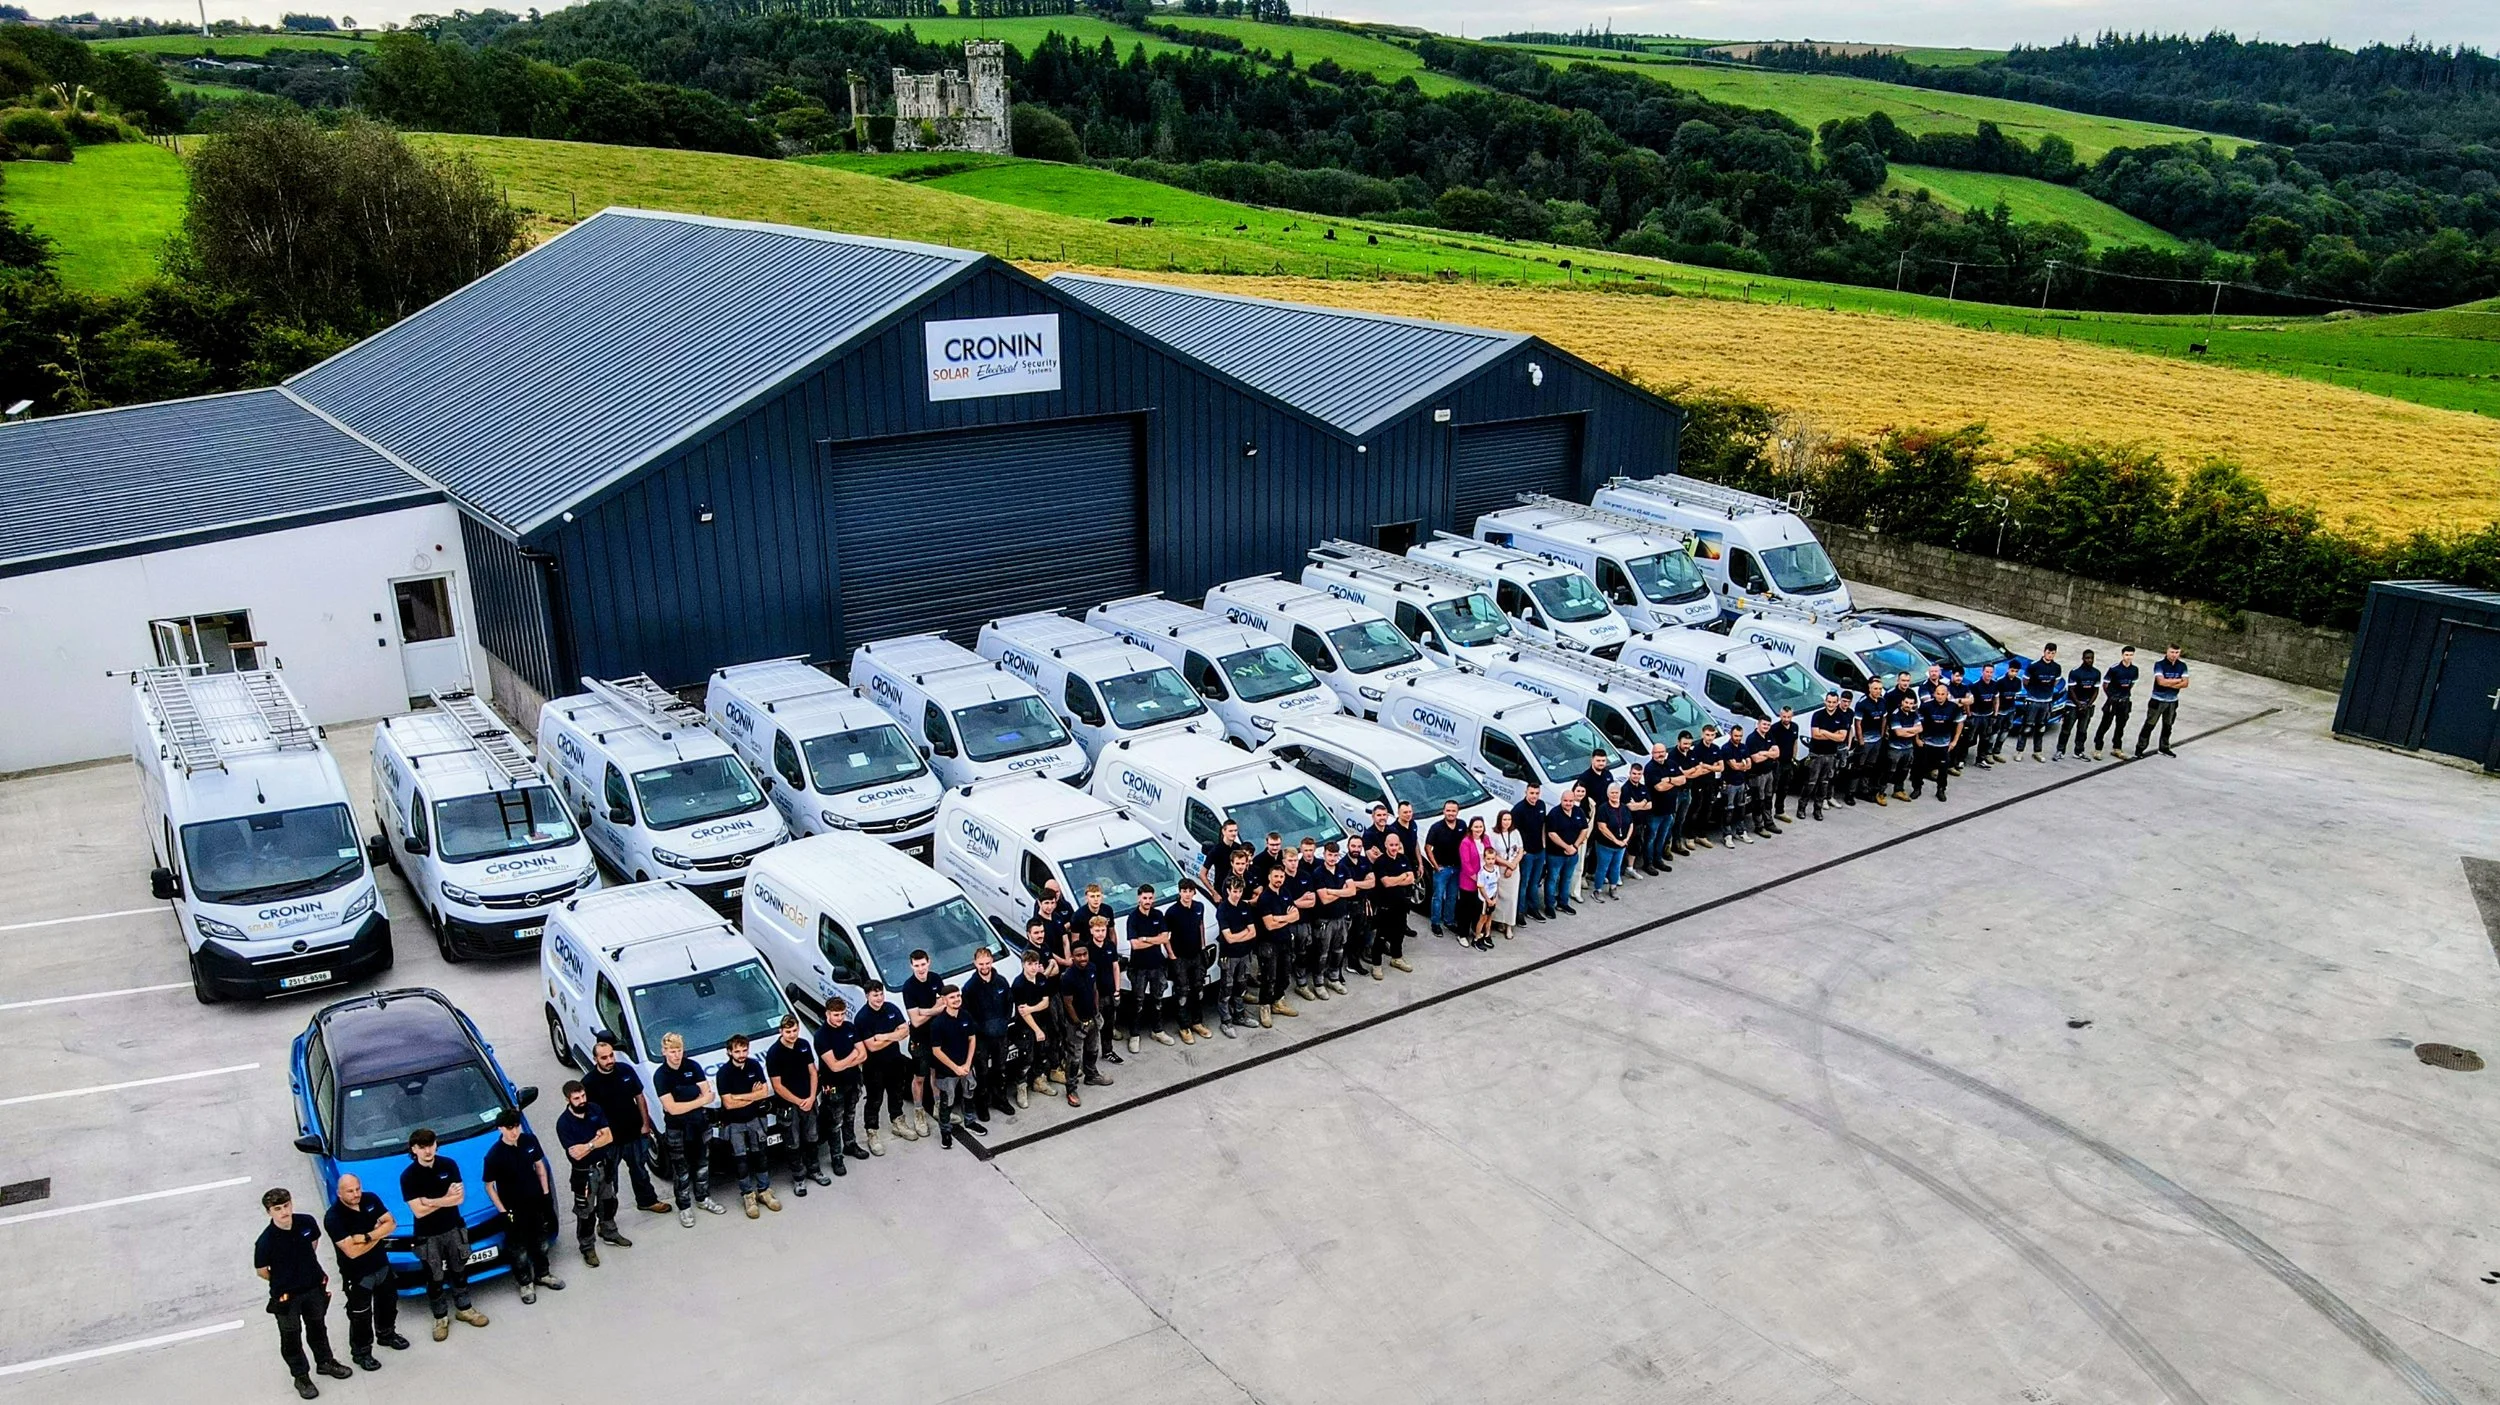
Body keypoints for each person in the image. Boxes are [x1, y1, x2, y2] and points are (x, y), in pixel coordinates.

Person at [257, 1188, 353, 1398]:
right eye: (277, 1208)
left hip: (313, 1289)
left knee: (318, 1328)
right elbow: (262, 1271)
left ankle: (325, 1362)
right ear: (269, 1212)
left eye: (286, 1205)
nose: (284, 1211)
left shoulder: (306, 1223)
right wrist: (285, 1279)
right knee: (291, 1338)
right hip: (287, 1298)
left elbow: (313, 1244)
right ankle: (301, 1376)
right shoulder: (265, 1241)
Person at [400, 1129, 488, 1340]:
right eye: (422, 1147)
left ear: (436, 1144)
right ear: (414, 1150)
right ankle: (440, 1317)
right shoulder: (408, 1177)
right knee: (434, 1276)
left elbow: (458, 1200)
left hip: (453, 1228)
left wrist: (430, 1201)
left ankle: (464, 1308)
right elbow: (418, 1212)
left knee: (459, 1270)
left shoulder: (448, 1165)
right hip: (428, 1235)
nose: (428, 1150)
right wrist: (443, 1199)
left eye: (430, 1145)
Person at [580, 1036, 669, 1216]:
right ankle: (606, 1218)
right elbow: (587, 1115)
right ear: (595, 1059)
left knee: (640, 1170)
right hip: (609, 1140)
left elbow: (639, 1097)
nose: (610, 1060)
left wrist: (645, 1124)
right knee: (608, 1180)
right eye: (604, 1058)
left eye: (611, 1055)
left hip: (634, 1132)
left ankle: (647, 1201)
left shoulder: (625, 1071)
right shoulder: (589, 1083)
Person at [323, 1175, 404, 1371]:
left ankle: (386, 1334)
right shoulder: (334, 1218)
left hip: (381, 1265)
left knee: (388, 1303)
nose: (356, 1194)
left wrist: (366, 1237)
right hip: (357, 1274)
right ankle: (362, 1352)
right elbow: (351, 1252)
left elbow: (391, 1223)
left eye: (358, 1189)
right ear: (339, 1193)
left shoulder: (371, 1199)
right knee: (360, 1315)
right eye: (350, 1191)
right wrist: (379, 1234)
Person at [482, 1108, 564, 1298]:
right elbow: (489, 1186)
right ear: (500, 1129)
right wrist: (503, 1211)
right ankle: (525, 1283)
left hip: (535, 1201)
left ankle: (543, 1274)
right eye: (509, 1127)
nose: (514, 1131)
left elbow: (539, 1165)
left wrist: (545, 1193)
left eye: (517, 1126)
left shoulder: (530, 1141)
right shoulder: (494, 1155)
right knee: (518, 1248)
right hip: (513, 1208)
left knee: (541, 1241)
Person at [554, 1080, 633, 1261]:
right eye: (576, 1098)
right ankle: (587, 1246)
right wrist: (597, 1140)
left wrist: (588, 1145)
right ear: (568, 1099)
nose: (582, 1100)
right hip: (584, 1174)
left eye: (583, 1096)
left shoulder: (595, 1109)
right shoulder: (563, 1123)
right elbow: (576, 1154)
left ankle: (609, 1232)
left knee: (608, 1202)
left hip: (604, 1166)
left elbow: (609, 1137)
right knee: (585, 1212)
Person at [651, 1032, 725, 1222]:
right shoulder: (661, 1075)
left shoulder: (693, 1066)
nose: (676, 1055)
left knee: (702, 1165)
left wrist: (693, 1102)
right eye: (672, 1051)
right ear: (664, 1052)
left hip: (699, 1124)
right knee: (681, 1170)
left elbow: (709, 1095)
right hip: (677, 1129)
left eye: (679, 1051)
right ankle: (684, 1207)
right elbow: (672, 1108)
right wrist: (698, 1101)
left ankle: (703, 1198)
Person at [714, 1035, 778, 1216]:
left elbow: (764, 1093)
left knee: (761, 1156)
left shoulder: (754, 1066)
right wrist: (752, 1095)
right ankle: (748, 1195)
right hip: (734, 1124)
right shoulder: (723, 1073)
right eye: (737, 1051)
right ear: (729, 1052)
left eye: (744, 1050)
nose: (741, 1054)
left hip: (755, 1120)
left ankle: (764, 1190)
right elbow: (728, 1104)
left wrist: (740, 1096)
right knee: (741, 1161)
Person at [765, 1014, 831, 1191]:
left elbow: (812, 1072)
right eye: (788, 1031)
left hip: (808, 1102)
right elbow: (777, 1086)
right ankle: (798, 1178)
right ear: (781, 1031)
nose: (792, 1034)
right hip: (789, 1105)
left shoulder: (803, 1045)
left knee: (812, 1138)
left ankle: (815, 1170)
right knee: (792, 1143)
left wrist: (810, 1098)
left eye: (795, 1030)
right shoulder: (774, 1053)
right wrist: (799, 1101)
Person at [854, 980, 915, 1152]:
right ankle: (872, 1132)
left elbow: (905, 1031)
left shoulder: (891, 1008)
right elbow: (871, 1046)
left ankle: (898, 1122)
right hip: (874, 1067)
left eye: (881, 994)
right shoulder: (862, 1018)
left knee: (896, 1093)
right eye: (875, 995)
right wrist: (894, 1036)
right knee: (875, 1099)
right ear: (867, 996)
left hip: (895, 1060)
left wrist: (883, 1037)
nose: (879, 998)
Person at [960, 946, 1017, 1115]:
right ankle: (982, 1105)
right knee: (982, 1072)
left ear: (992, 961)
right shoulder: (970, 988)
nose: (984, 967)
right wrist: (980, 1030)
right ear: (975, 963)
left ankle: (1000, 1100)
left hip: (1001, 1035)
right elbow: (967, 1013)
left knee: (1000, 1069)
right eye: (981, 964)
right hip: (981, 1038)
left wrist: (1004, 1023)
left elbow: (1009, 1003)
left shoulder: (1002, 982)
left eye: (987, 963)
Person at [815, 996, 869, 1174]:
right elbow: (834, 1066)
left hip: (852, 1081)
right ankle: (836, 1157)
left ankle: (850, 1144)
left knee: (850, 1115)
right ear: (827, 1014)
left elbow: (863, 1055)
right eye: (836, 1015)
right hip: (833, 1085)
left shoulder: (850, 1027)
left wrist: (849, 1060)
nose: (840, 1018)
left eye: (842, 1014)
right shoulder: (822, 1036)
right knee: (834, 1121)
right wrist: (853, 1056)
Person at [925, 983, 983, 1146]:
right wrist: (955, 1068)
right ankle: (945, 1132)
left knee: (969, 1094)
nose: (956, 999)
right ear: (943, 1000)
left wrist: (967, 1064)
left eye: (958, 996)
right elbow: (936, 1051)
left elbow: (972, 1039)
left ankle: (970, 1122)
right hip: (947, 1072)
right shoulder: (938, 1024)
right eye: (952, 997)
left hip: (966, 1067)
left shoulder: (966, 1016)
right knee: (947, 1102)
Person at [899, 949, 945, 1138]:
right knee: (920, 1077)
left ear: (929, 963)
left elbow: (943, 1005)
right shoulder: (909, 987)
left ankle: (937, 1107)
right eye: (916, 965)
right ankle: (919, 1113)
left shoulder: (936, 979)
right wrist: (933, 1009)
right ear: (911, 966)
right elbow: (915, 1022)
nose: (920, 969)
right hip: (919, 1040)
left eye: (923, 964)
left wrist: (924, 1011)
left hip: (936, 1036)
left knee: (936, 1073)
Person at [1059, 940, 1111, 1103]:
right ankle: (1071, 1089)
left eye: (1084, 954)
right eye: (1078, 955)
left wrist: (1096, 1013)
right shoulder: (1068, 977)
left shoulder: (1092, 968)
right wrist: (1078, 1023)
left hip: (1092, 1019)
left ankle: (1091, 1075)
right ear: (1072, 957)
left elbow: (1095, 990)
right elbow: (1067, 1003)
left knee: (1093, 1049)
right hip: (1076, 1024)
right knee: (1074, 1057)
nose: (1082, 958)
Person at [1122, 885, 1174, 1050]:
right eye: (1144, 898)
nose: (1147, 901)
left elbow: (1165, 938)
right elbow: (1135, 945)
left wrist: (1145, 938)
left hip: (1157, 965)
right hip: (1138, 968)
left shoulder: (1158, 915)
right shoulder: (1133, 918)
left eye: (1150, 898)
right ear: (1138, 898)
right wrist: (1155, 939)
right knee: (1138, 1002)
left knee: (1158, 1000)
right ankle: (1134, 1035)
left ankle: (1157, 1030)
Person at [1165, 879, 1214, 1042]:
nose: (1187, 894)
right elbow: (1166, 936)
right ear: (1179, 892)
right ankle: (1184, 1027)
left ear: (1194, 892)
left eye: (1189, 891)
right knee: (1182, 993)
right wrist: (1172, 955)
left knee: (1198, 990)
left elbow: (1200, 925)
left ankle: (1197, 1022)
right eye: (1183, 891)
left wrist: (1203, 946)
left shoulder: (1199, 907)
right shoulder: (1172, 912)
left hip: (1196, 956)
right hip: (1180, 958)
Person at [1009, 943, 1061, 1090]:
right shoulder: (1019, 985)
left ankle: (1039, 1081)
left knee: (1042, 1053)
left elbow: (1045, 1002)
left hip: (1043, 1021)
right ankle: (1021, 1086)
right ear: (1023, 964)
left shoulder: (1041, 978)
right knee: (1027, 1058)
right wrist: (1037, 1030)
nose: (1033, 967)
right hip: (1026, 1027)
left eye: (1036, 964)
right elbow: (1023, 1013)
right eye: (1030, 964)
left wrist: (1032, 1008)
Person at [1216, 878, 1262, 1029]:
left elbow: (1253, 932)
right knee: (1227, 988)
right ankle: (1226, 1020)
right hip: (1229, 956)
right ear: (1228, 890)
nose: (1237, 894)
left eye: (1240, 891)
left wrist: (1239, 936)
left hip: (1244, 954)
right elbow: (1228, 938)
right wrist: (1244, 933)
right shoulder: (1223, 909)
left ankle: (1240, 1015)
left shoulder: (1244, 906)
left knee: (1241, 986)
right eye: (1235, 891)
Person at [1255, 865, 1302, 1013]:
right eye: (1276, 876)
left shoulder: (1286, 893)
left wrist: (1281, 918)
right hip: (1268, 944)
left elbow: (1297, 915)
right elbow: (1269, 925)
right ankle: (1265, 1007)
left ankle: (1278, 1002)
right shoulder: (1265, 898)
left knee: (1284, 975)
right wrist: (1288, 918)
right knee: (1269, 977)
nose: (1279, 880)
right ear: (1269, 877)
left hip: (1285, 941)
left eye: (1281, 877)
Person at [1911, 680, 1964, 802]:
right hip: (1926, 744)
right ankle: (1917, 788)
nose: (1940, 696)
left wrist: (1954, 741)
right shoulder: (1926, 706)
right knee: (1919, 767)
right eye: (1938, 693)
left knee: (1943, 770)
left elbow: (1960, 723)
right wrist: (1917, 738)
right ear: (1934, 694)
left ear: (1947, 695)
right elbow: (1917, 723)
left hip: (1944, 745)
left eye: (1942, 694)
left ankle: (1941, 790)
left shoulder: (1953, 707)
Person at [1803, 691, 1851, 820]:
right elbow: (1815, 735)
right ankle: (1802, 807)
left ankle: (1817, 810)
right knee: (1811, 783)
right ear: (1825, 701)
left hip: (1830, 755)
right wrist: (1832, 735)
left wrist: (1824, 732)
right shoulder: (1817, 715)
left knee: (1824, 784)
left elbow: (1842, 737)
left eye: (1834, 702)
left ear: (1837, 702)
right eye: (1829, 702)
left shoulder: (1842, 717)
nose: (1831, 704)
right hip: (1816, 754)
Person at [1373, 832, 1417, 972]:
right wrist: (1402, 877)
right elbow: (1386, 882)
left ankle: (1396, 958)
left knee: (1399, 933)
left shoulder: (1403, 858)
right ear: (1385, 845)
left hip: (1401, 903)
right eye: (1391, 845)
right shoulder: (1380, 862)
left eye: (1396, 845)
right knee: (1381, 935)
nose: (1393, 847)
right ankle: (1376, 965)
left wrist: (1396, 879)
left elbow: (1411, 878)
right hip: (1385, 905)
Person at [2137, 646, 2189, 757]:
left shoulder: (2182, 666)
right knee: (2150, 725)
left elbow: (2186, 683)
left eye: (2177, 652)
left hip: (2172, 701)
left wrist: (2169, 682)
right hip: (2158, 700)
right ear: (2167, 652)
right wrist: (2178, 680)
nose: (2174, 655)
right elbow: (2161, 682)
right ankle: (2140, 748)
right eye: (2172, 652)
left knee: (2168, 726)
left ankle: (2164, 747)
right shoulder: (2159, 665)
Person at [1543, 783, 1587, 914]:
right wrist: (1567, 846)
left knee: (1567, 879)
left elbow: (1584, 829)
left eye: (1571, 801)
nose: (1568, 803)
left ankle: (1563, 903)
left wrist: (1575, 846)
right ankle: (1550, 905)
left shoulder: (1579, 812)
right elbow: (1551, 834)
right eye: (1565, 801)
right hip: (1555, 855)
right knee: (1552, 879)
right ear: (1561, 800)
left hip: (1572, 854)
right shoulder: (1554, 814)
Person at [1507, 783, 1548, 924]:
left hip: (1539, 851)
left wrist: (1544, 845)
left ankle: (1533, 908)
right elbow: (1512, 832)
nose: (1534, 796)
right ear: (1526, 792)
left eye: (1537, 793)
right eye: (1532, 793)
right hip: (1526, 854)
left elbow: (1543, 825)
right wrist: (1520, 851)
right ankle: (1519, 912)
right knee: (1523, 883)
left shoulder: (1541, 805)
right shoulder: (1518, 810)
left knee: (1534, 883)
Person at [2016, 644, 2064, 760]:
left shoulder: (2057, 667)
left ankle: (2037, 751)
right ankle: (2019, 752)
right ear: (2044, 652)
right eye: (2049, 652)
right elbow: (2025, 681)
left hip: (2046, 701)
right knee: (2027, 727)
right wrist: (2033, 693)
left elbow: (2055, 683)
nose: (2050, 655)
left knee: (2041, 727)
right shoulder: (2034, 666)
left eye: (2053, 653)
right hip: (2033, 701)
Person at [1639, 743, 1679, 873]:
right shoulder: (1650, 768)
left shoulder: (1671, 764)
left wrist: (1668, 780)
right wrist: (1674, 781)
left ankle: (1658, 859)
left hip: (1669, 810)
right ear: (1652, 753)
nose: (1660, 754)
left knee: (1662, 837)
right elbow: (1659, 788)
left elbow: (1683, 779)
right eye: (1657, 752)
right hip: (1655, 812)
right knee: (1651, 838)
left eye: (1662, 751)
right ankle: (1648, 863)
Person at [1485, 808, 1524, 937]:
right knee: (1500, 898)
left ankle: (1509, 926)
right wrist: (1507, 864)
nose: (1507, 822)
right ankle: (1500, 921)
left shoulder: (1515, 833)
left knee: (1512, 899)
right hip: (1499, 869)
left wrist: (1512, 866)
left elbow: (1520, 850)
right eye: (1504, 819)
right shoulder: (1493, 834)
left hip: (1513, 870)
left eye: (1509, 819)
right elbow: (1492, 854)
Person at [2058, 649, 2102, 760]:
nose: (2089, 660)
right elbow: (2071, 690)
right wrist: (2078, 704)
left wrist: (2088, 705)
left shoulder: (2096, 673)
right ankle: (2060, 751)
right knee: (2066, 729)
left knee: (2082, 730)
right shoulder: (2075, 672)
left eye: (2091, 658)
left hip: (2086, 706)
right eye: (2087, 658)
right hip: (2073, 705)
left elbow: (2096, 691)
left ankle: (2079, 751)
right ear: (2083, 659)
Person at [1589, 785, 1631, 901]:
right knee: (1602, 867)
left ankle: (1613, 888)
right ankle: (1597, 890)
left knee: (1616, 867)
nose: (1614, 795)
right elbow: (1602, 827)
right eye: (1612, 793)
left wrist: (1626, 839)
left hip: (1621, 845)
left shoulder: (1624, 808)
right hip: (1605, 845)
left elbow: (1631, 824)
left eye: (1616, 792)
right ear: (1608, 794)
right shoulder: (1603, 808)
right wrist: (1615, 840)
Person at [1850, 682, 1889, 805]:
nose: (1877, 691)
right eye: (1875, 689)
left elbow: (1884, 718)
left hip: (1877, 740)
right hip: (1865, 741)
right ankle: (1850, 792)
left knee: (1869, 767)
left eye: (1879, 689)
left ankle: (1864, 789)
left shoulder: (1882, 702)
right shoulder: (1863, 703)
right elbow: (1858, 723)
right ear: (1869, 689)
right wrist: (1861, 741)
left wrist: (1882, 736)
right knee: (1858, 767)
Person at [2096, 647, 2139, 758]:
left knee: (2120, 726)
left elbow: (2132, 684)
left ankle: (2117, 748)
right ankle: (2098, 748)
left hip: (2124, 702)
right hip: (2113, 702)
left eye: (2131, 655)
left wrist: (2125, 695)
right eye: (2126, 655)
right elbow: (2105, 684)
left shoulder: (2134, 670)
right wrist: (2111, 697)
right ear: (2122, 655)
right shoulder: (2114, 669)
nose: (2128, 657)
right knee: (2105, 724)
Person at [1454, 815, 1490, 945]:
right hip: (1469, 882)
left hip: (1482, 881)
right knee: (1465, 909)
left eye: (1480, 826)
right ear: (1471, 828)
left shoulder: (1486, 839)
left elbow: (1490, 856)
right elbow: (1466, 863)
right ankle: (1462, 934)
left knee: (1478, 908)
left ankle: (1476, 930)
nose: (1478, 829)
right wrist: (1477, 878)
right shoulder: (1466, 842)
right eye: (1476, 827)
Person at [1882, 691, 1920, 802]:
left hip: (1908, 748)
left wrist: (1906, 730)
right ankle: (1880, 792)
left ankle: (1898, 790)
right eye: (1906, 702)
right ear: (1902, 702)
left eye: (1911, 703)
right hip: (1895, 749)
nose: (1908, 705)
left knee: (1904, 770)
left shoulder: (1913, 714)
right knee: (1889, 771)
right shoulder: (1895, 715)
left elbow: (1920, 728)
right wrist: (1912, 730)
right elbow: (1899, 733)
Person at [1768, 707, 1802, 823]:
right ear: (1780, 715)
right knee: (1772, 789)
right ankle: (1767, 814)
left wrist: (1794, 758)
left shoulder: (1794, 727)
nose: (1786, 719)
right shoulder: (1774, 729)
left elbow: (1795, 743)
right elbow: (1771, 747)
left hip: (1788, 763)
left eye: (1789, 717)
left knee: (1784, 788)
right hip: (1777, 763)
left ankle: (1780, 811)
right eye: (1784, 716)